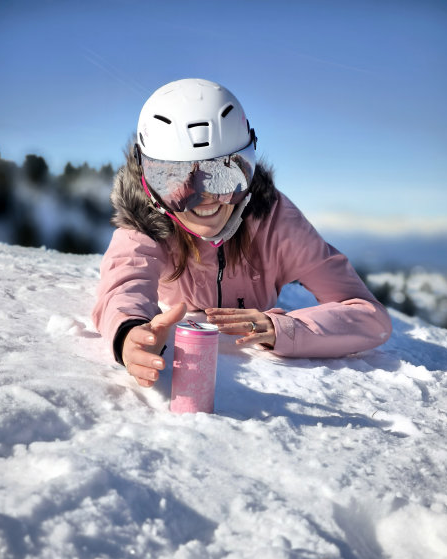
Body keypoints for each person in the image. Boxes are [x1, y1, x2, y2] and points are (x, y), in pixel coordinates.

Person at [92, 78, 392, 388]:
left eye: (223, 173)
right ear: (148, 184)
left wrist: (283, 328)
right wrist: (129, 333)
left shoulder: (275, 221)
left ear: (249, 167)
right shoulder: (147, 222)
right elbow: (124, 283)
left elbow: (371, 318)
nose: (205, 196)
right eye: (175, 177)